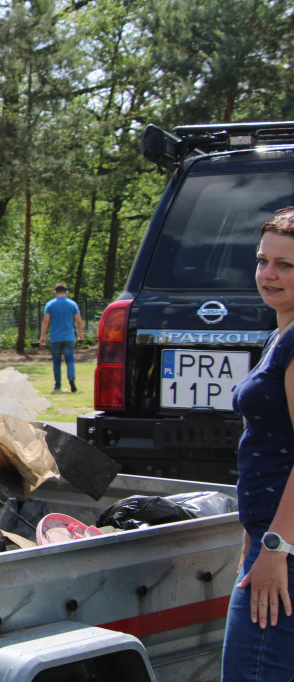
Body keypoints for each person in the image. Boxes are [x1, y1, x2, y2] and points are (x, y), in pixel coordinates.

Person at [221, 207, 294, 682]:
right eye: (262, 260)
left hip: (284, 551)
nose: (268, 275)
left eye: (286, 265)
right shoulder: (278, 334)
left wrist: (274, 546)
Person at [38, 283, 83, 393]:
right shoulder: (72, 304)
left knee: (56, 362)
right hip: (69, 337)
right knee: (70, 360)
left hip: (55, 337)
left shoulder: (50, 304)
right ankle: (71, 380)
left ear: (55, 292)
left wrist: (42, 335)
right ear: (66, 292)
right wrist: (80, 332)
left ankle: (57, 385)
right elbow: (79, 320)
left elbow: (46, 321)